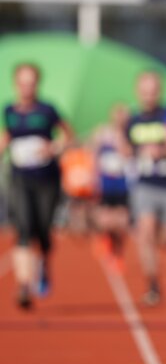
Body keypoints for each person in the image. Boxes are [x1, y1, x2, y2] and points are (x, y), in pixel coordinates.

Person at [0, 63, 73, 308]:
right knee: (23, 228)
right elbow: (8, 136)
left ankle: (43, 264)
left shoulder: (47, 110)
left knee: (42, 230)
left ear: (37, 84)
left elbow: (68, 135)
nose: (26, 87)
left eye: (31, 83)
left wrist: (53, 147)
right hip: (20, 177)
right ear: (16, 84)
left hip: (47, 179)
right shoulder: (9, 110)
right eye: (22, 82)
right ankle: (23, 286)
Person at [126, 71, 166, 306]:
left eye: (153, 91)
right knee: (145, 233)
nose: (148, 96)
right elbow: (125, 150)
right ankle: (152, 283)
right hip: (145, 185)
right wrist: (138, 152)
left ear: (159, 92)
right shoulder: (133, 121)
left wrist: (164, 151)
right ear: (138, 93)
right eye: (144, 92)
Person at [90, 103, 131, 272]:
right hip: (106, 183)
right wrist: (93, 178)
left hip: (122, 184)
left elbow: (129, 154)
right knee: (104, 221)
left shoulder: (129, 135)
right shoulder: (102, 133)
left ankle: (118, 252)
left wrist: (121, 141)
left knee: (122, 222)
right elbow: (93, 154)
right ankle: (107, 242)